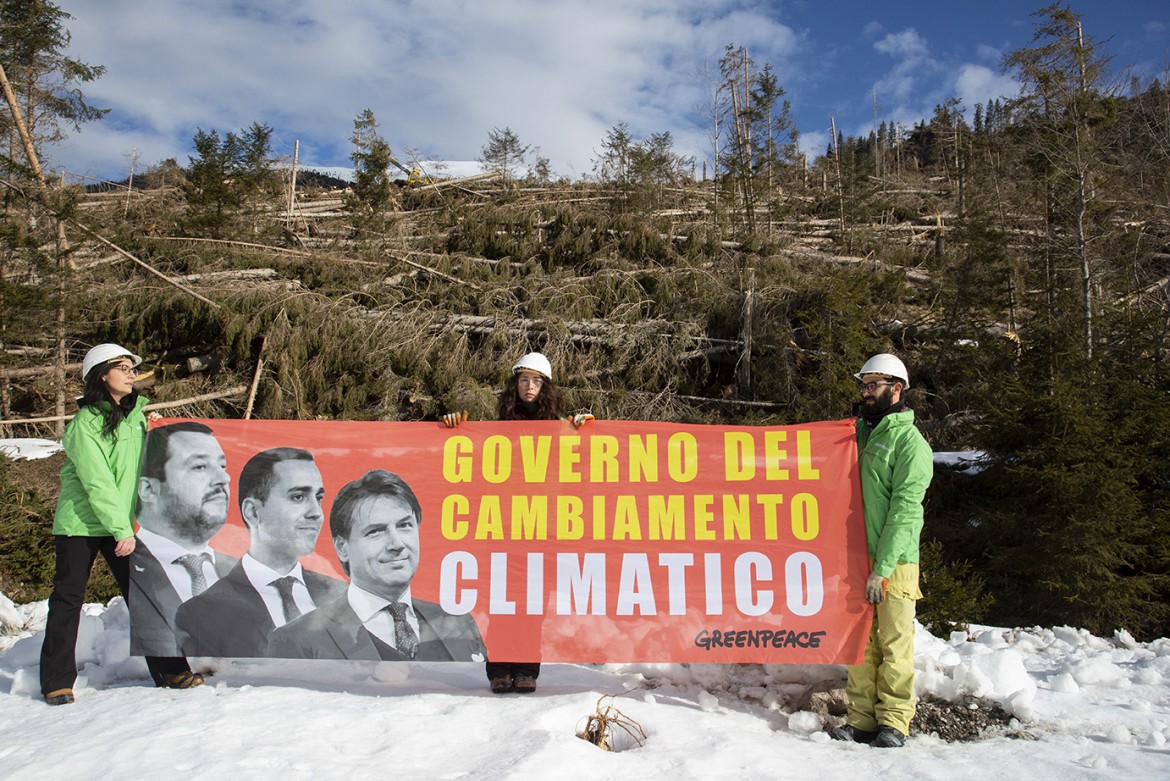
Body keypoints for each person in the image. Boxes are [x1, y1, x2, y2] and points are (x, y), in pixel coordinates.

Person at [39, 344, 204, 705]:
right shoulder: (85, 425)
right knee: (68, 599)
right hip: (81, 524)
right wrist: (121, 531)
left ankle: (172, 671)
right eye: (123, 368)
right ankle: (56, 680)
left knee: (147, 596)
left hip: (124, 524)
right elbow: (98, 482)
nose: (131, 374)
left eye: (132, 368)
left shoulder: (137, 418)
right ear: (101, 375)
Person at [443, 351, 593, 694]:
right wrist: (452, 426)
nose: (530, 387)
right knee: (502, 600)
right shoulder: (496, 429)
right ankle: (499, 669)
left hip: (542, 528)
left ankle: (526, 669)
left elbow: (583, 463)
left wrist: (585, 429)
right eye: (524, 380)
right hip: (503, 527)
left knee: (532, 601)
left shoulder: (561, 430)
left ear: (546, 387)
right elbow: (463, 449)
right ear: (515, 384)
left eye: (537, 381)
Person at [267, 469, 486, 661]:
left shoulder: (459, 624)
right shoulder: (297, 641)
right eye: (376, 531)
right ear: (342, 548)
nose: (397, 544)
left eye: (404, 526)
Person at [829, 353, 933, 748]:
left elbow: (904, 512)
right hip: (856, 560)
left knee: (894, 643)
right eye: (864, 385)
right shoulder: (856, 434)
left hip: (896, 563)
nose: (866, 392)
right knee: (860, 643)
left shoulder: (910, 444)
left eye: (874, 385)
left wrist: (882, 568)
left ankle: (893, 722)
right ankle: (861, 720)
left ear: (897, 388)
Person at [174, 448, 346, 657]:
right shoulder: (201, 614)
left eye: (318, 498)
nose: (316, 513)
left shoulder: (342, 596)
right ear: (253, 512)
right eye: (298, 497)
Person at [129, 421, 237, 658]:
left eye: (223, 465)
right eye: (199, 467)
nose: (224, 478)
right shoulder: (130, 567)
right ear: (148, 489)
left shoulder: (243, 572)